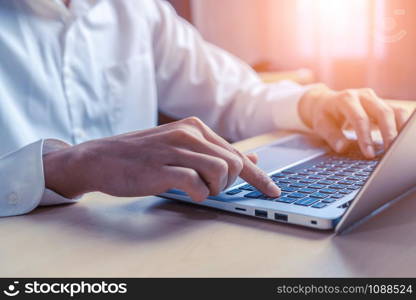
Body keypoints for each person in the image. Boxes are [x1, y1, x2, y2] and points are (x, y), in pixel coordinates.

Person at [0, 0, 410, 217]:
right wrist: (65, 167)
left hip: (136, 236)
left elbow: (234, 96)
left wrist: (313, 102)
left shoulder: (140, 10)